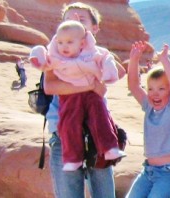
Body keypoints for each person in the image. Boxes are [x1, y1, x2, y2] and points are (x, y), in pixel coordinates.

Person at [39, 2, 124, 197]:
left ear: (94, 28)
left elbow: (119, 71)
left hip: (97, 136)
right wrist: (90, 85)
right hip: (63, 134)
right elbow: (50, 86)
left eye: (81, 20)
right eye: (68, 20)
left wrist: (91, 47)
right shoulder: (55, 56)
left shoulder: (96, 55)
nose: (74, 23)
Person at [124, 42, 170, 197]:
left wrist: (164, 59)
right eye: (151, 89)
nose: (155, 94)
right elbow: (133, 86)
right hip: (148, 172)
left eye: (161, 89)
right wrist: (134, 59)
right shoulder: (149, 108)